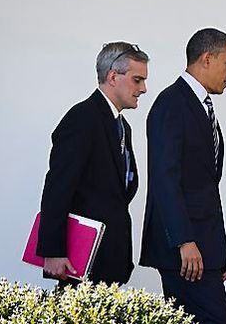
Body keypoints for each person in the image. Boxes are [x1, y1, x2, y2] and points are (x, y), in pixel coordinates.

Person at [140, 28, 226, 324]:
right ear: (207, 59)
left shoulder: (201, 106)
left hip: (202, 245)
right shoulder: (172, 104)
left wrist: (216, 254)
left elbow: (206, 186)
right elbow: (165, 181)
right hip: (184, 248)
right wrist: (185, 242)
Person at [37, 42, 148, 285]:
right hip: (81, 261)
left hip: (111, 260)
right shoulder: (82, 118)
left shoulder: (122, 127)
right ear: (112, 76)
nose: (143, 88)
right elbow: (58, 186)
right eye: (137, 80)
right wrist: (53, 251)